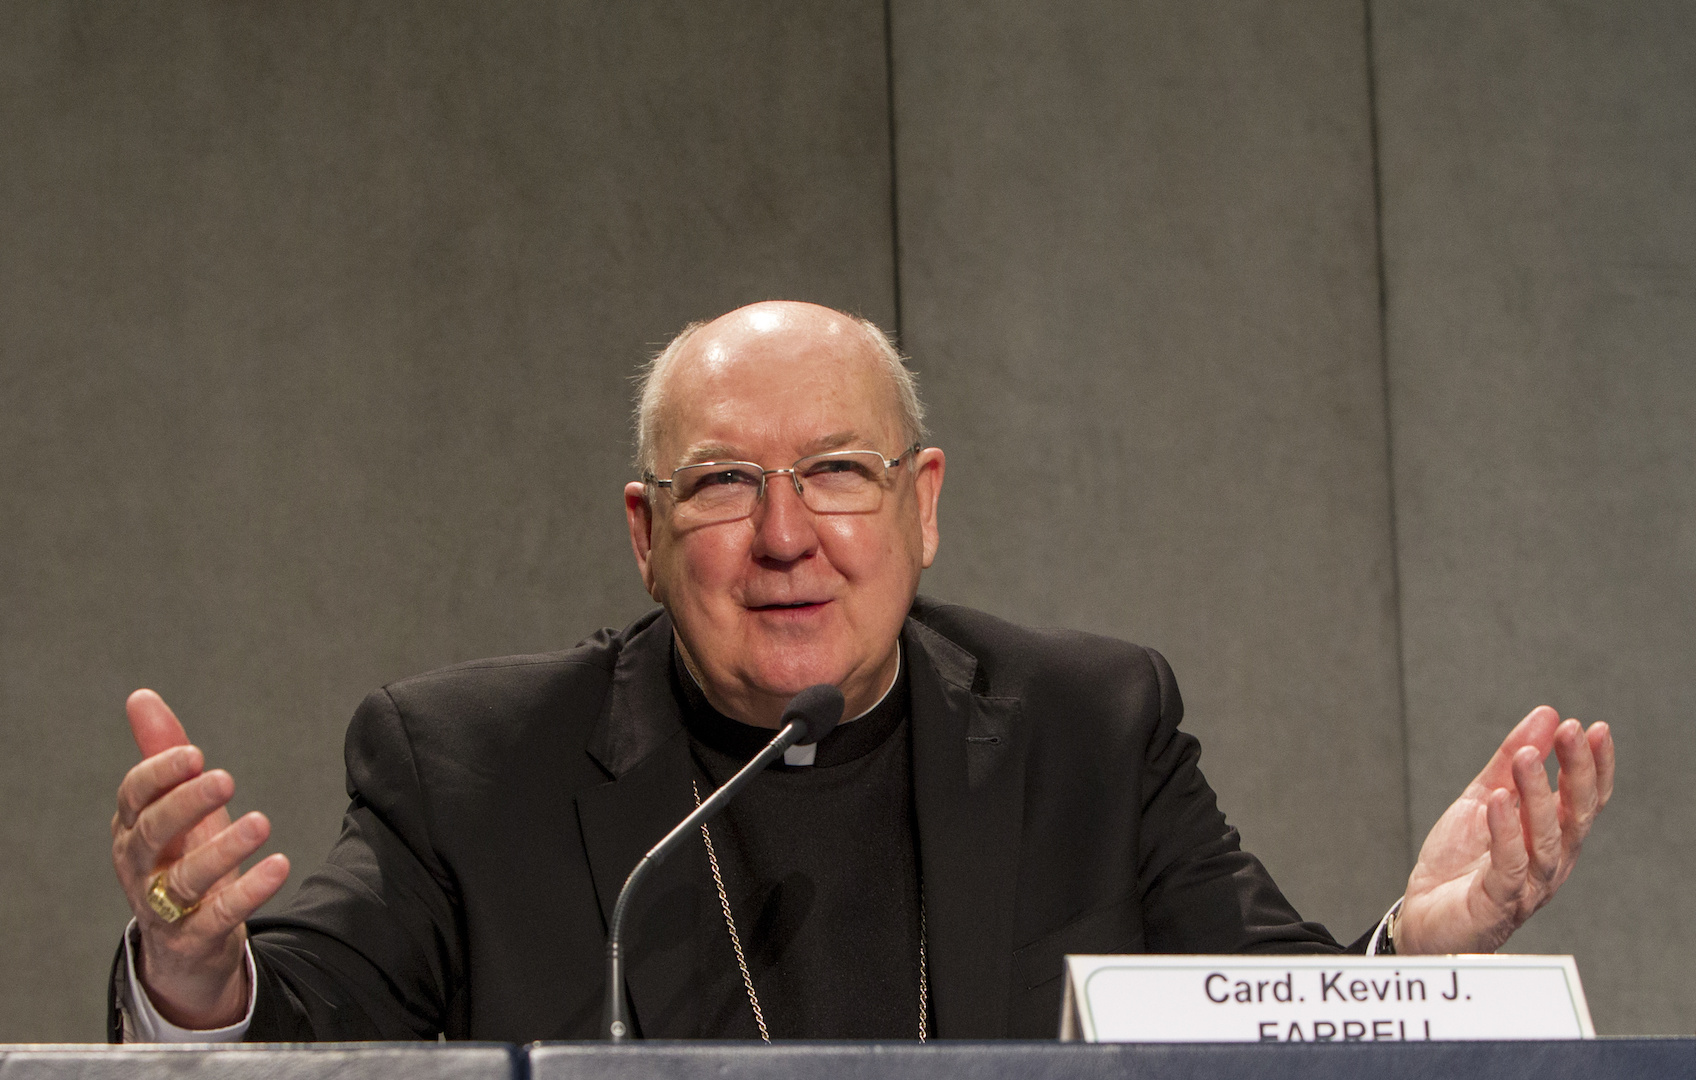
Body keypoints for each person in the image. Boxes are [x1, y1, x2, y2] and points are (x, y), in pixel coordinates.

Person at [109, 301, 1615, 1041]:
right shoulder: (472, 764)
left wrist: (1421, 948)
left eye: (836, 472)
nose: (786, 539)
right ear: (644, 534)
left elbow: (1258, 1018)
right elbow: (289, 1029)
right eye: (720, 487)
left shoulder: (1088, 730)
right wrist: (194, 974)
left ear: (923, 505)